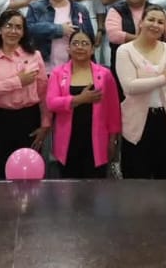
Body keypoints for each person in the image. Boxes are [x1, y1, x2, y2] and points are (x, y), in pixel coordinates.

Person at [114, 5, 166, 179]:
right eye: (151, 20)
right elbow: (129, 87)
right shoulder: (125, 51)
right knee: (138, 177)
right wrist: (163, 78)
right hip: (137, 123)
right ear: (141, 22)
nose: (155, 25)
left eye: (160, 22)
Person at [0, 9, 48, 180]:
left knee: (30, 175)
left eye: (18, 27)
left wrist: (45, 124)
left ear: (23, 32)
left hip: (29, 119)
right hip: (0, 120)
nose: (13, 31)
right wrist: (18, 81)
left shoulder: (34, 56)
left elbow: (44, 92)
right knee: (1, 173)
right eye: (8, 26)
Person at [45, 25, 120, 178]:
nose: (80, 47)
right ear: (68, 48)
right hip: (68, 142)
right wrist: (79, 99)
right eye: (75, 43)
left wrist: (113, 139)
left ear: (92, 49)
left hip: (97, 142)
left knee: (96, 186)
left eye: (85, 43)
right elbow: (51, 103)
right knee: (68, 187)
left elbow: (113, 110)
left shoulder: (105, 74)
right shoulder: (57, 73)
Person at [26, 0, 93, 64]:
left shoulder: (80, 9)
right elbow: (28, 31)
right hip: (43, 67)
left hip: (74, 67)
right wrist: (59, 29)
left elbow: (89, 40)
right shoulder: (35, 8)